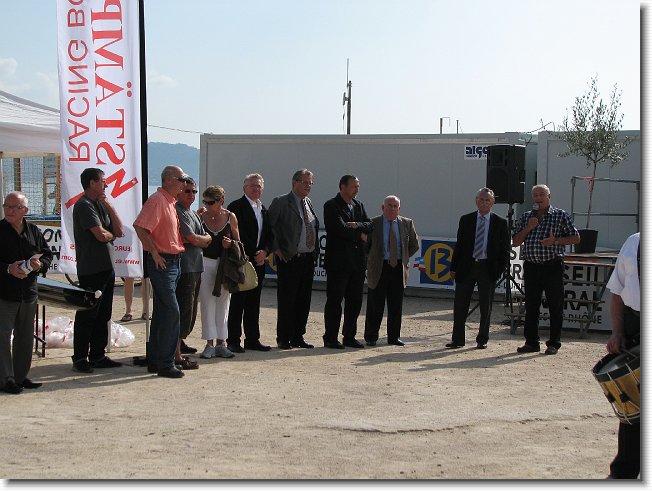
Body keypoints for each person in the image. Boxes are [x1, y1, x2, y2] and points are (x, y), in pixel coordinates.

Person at [134, 165, 188, 378]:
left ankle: (156, 360)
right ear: (168, 180)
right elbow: (140, 227)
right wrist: (155, 253)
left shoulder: (169, 201)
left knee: (162, 312)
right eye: (181, 179)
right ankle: (166, 363)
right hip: (163, 262)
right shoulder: (157, 200)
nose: (184, 183)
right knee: (171, 312)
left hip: (173, 261)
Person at [512, 184, 580, 355]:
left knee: (555, 305)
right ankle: (531, 342)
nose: (538, 198)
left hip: (552, 266)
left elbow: (576, 238)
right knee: (531, 306)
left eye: (542, 194)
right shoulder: (526, 217)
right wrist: (528, 227)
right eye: (535, 195)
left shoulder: (560, 215)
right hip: (531, 266)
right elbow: (515, 242)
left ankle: (554, 343)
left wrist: (555, 241)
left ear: (549, 196)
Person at [71, 168, 124, 373]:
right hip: (91, 269)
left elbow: (119, 231)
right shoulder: (84, 205)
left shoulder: (100, 204)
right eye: (103, 181)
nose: (106, 184)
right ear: (92, 183)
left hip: (107, 268)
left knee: (104, 314)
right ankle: (80, 358)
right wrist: (110, 234)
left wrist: (109, 205)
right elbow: (101, 235)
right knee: (88, 314)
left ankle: (97, 355)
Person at [0, 192, 52, 394]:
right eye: (6, 206)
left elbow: (47, 255)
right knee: (3, 337)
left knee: (25, 337)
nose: (9, 210)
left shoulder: (33, 231)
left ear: (25, 211)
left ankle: (20, 376)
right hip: (5, 293)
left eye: (14, 207)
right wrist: (8, 268)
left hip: (28, 293)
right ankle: (5, 379)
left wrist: (39, 265)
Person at [446, 188, 510, 349]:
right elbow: (460, 245)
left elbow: (505, 250)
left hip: (487, 268)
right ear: (476, 201)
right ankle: (457, 339)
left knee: (485, 306)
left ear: (493, 202)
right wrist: (453, 267)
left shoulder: (500, 222)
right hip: (466, 267)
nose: (484, 203)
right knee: (460, 305)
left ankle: (482, 339)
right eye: (481, 199)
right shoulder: (466, 220)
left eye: (487, 200)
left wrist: (498, 270)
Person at [268, 169, 320, 350]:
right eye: (304, 182)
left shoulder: (308, 202)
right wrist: (276, 249)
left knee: (303, 301)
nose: (308, 186)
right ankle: (283, 337)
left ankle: (298, 336)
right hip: (290, 259)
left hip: (307, 259)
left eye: (310, 183)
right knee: (287, 300)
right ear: (294, 183)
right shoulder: (281, 202)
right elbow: (270, 227)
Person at [605, 232, 640, 479]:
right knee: (632, 399)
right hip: (634, 325)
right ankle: (624, 470)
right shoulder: (634, 242)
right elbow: (617, 291)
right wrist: (617, 332)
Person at [322, 175, 372, 349]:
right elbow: (339, 229)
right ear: (342, 187)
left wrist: (356, 225)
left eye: (358, 186)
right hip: (339, 263)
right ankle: (330, 337)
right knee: (335, 301)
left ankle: (349, 336)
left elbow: (369, 225)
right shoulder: (331, 205)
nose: (357, 189)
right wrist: (359, 235)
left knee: (355, 301)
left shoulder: (359, 205)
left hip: (357, 263)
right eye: (353, 186)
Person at [363, 195, 419, 346]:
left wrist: (403, 257)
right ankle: (371, 336)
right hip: (379, 268)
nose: (392, 209)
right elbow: (365, 246)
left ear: (399, 209)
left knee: (395, 305)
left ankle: (394, 337)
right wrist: (372, 259)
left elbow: (414, 245)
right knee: (375, 304)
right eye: (389, 205)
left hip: (398, 269)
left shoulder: (407, 223)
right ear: (383, 207)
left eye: (395, 206)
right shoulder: (373, 223)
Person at [226, 173, 272, 353]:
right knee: (238, 302)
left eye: (259, 186)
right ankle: (233, 340)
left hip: (259, 262)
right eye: (253, 185)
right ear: (244, 188)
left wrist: (265, 252)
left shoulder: (264, 209)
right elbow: (235, 234)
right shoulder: (236, 207)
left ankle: (252, 339)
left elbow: (269, 235)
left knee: (254, 303)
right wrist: (248, 254)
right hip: (241, 261)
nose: (256, 189)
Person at [198, 185, 240, 359]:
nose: (207, 205)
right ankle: (209, 344)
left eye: (211, 202)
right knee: (207, 302)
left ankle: (221, 343)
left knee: (224, 302)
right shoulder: (200, 216)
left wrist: (230, 244)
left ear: (221, 200)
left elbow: (238, 242)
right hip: (205, 262)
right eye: (205, 202)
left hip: (224, 264)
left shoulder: (231, 217)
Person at [174, 178, 211, 368]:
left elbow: (204, 237)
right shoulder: (178, 210)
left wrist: (201, 239)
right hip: (185, 267)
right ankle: (176, 354)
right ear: (179, 191)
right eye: (187, 191)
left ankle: (179, 345)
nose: (191, 195)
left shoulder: (192, 213)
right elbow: (193, 238)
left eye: (194, 192)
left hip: (196, 266)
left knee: (190, 311)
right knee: (184, 309)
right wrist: (201, 239)